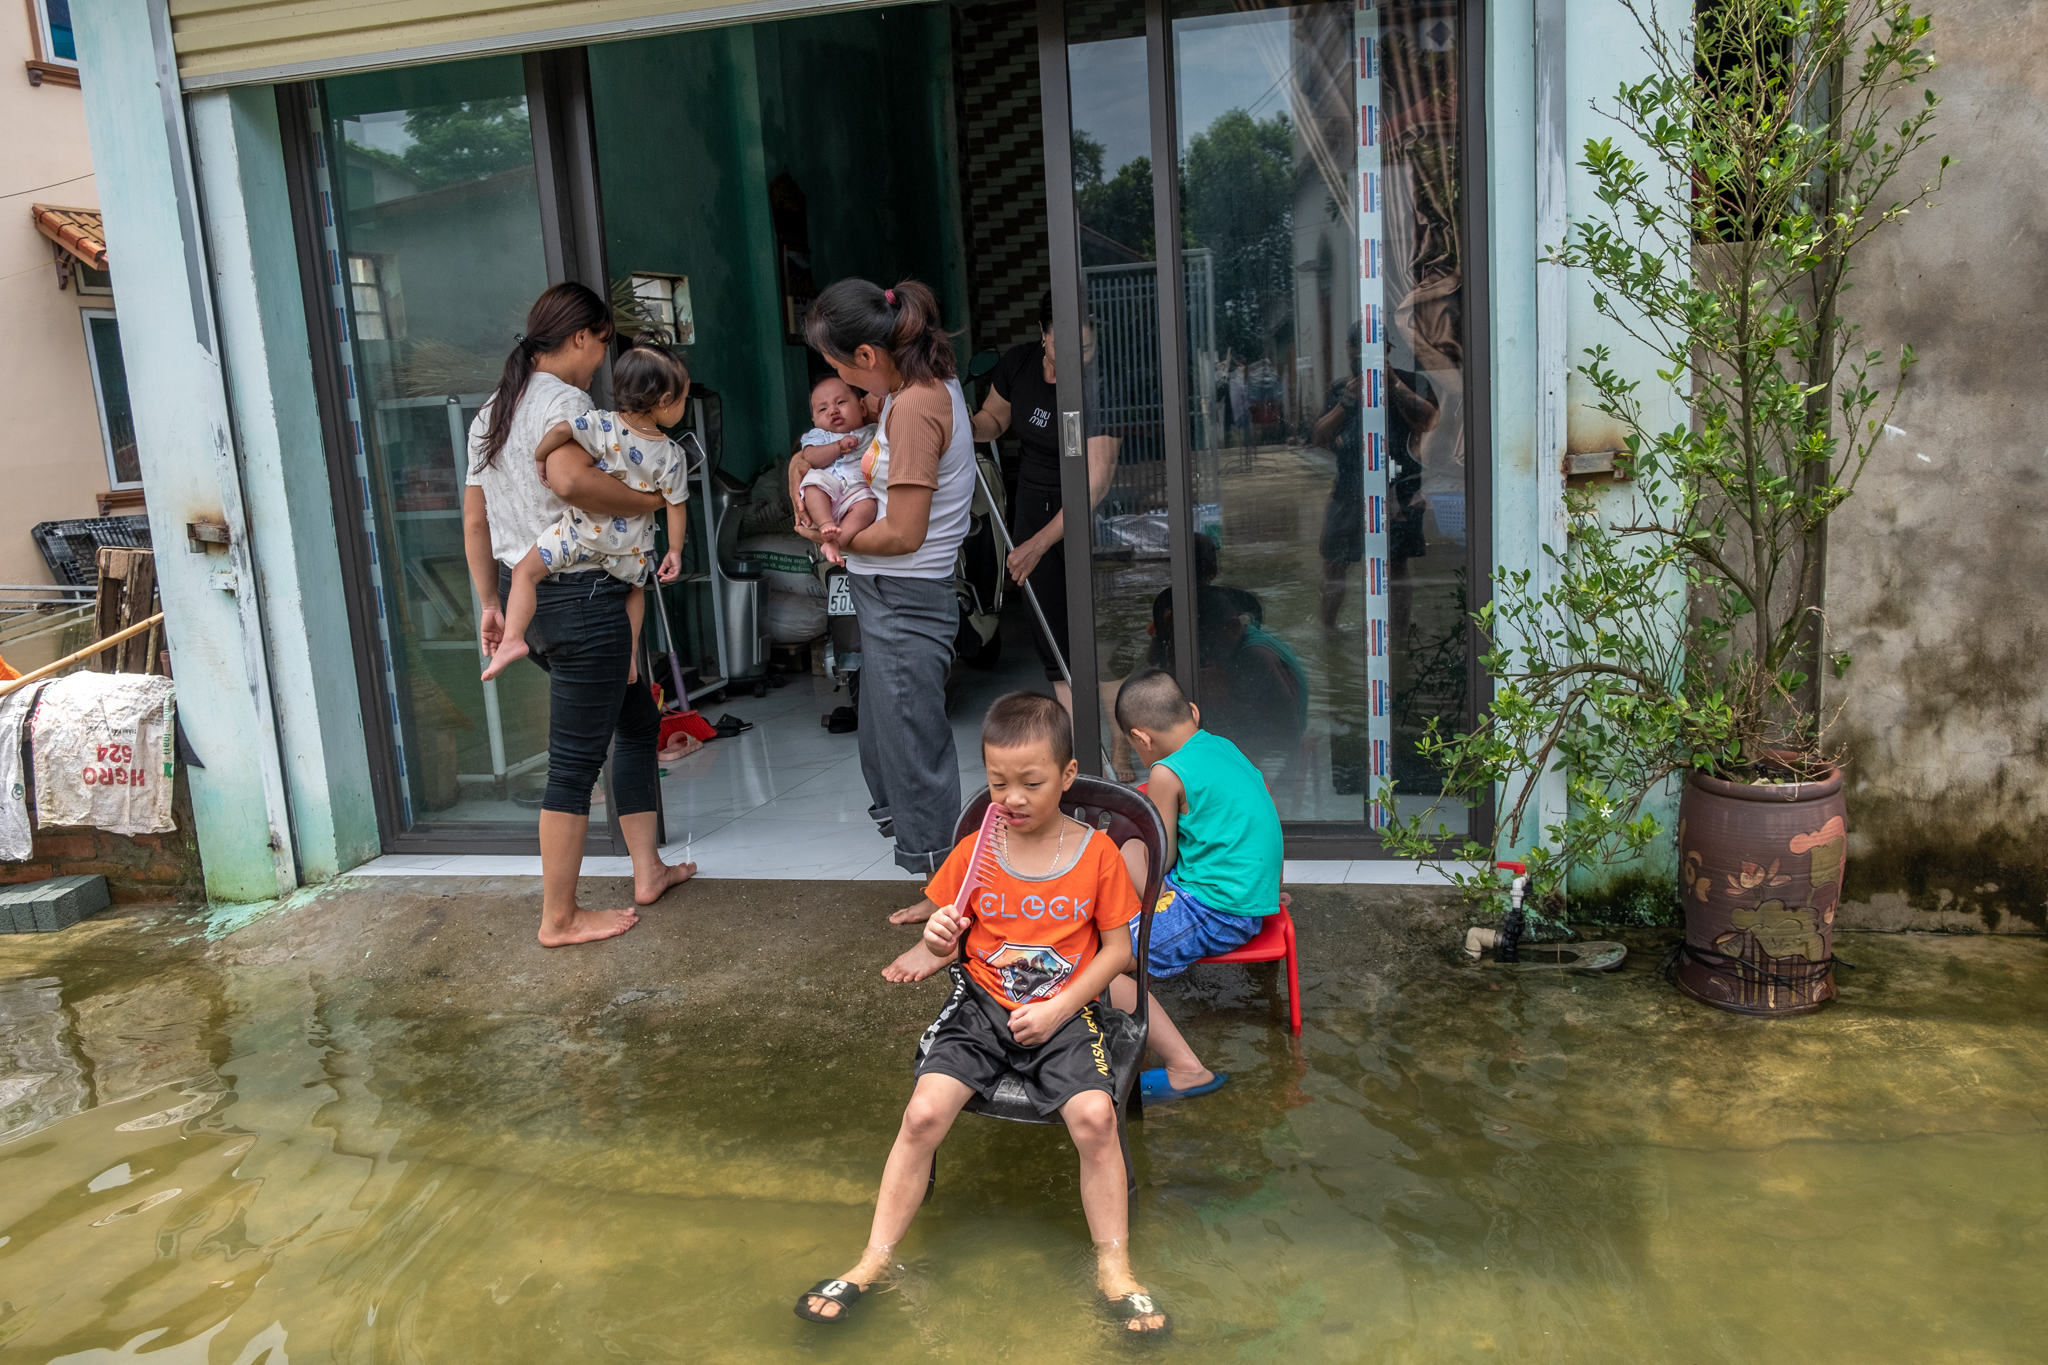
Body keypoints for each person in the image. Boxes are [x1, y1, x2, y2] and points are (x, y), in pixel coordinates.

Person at [794, 693, 1168, 1335]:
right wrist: (938, 937)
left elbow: (1119, 953)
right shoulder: (975, 852)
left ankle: (1116, 1268)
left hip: (1065, 1011)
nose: (1013, 798)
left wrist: (1057, 1009)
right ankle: (871, 1261)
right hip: (980, 1005)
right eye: (998, 783)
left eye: (1031, 783)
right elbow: (949, 939)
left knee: (1096, 1119)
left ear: (1068, 777)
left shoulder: (1098, 855)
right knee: (922, 1113)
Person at [461, 283, 695, 947]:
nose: (599, 363)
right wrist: (647, 502)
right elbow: (567, 481)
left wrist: (490, 602)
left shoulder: (492, 410)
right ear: (581, 337)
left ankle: (647, 868)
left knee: (636, 718)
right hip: (583, 595)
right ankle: (558, 917)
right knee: (573, 763)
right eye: (599, 346)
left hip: (527, 593)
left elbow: (476, 517)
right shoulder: (566, 402)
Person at [788, 279, 976, 875]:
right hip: (886, 592)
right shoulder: (903, 390)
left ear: (867, 357)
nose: (846, 389)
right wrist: (803, 467)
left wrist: (830, 539)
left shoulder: (917, 405)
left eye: (841, 371)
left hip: (906, 593)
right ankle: (927, 860)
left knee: (912, 744)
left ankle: (944, 890)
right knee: (884, 736)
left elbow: (904, 533)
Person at [1111, 667, 1283, 1102]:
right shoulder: (1222, 746)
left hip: (1215, 911)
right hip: (1246, 895)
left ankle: (1186, 1069)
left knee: (1099, 964)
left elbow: (1162, 856)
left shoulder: (1168, 773)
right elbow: (1257, 815)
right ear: (1192, 711)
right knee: (1128, 852)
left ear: (1142, 739)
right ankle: (1145, 918)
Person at [482, 338, 693, 683]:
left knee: (524, 572)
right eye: (683, 398)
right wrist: (674, 550)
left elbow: (563, 430)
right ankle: (628, 659)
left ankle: (513, 640)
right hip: (630, 548)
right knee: (635, 591)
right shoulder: (671, 454)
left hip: (580, 535)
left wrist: (540, 457)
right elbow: (676, 506)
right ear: (666, 401)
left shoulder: (602, 424)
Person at [970, 291, 1120, 710]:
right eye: (1062, 346)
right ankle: (1081, 743)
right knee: (1051, 631)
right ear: (1042, 333)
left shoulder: (1103, 384)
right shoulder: (1018, 363)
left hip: (1087, 515)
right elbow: (994, 420)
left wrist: (1037, 545)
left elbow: (1094, 486)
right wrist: (962, 425)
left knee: (1099, 633)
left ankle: (1119, 743)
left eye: (1085, 348)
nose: (1074, 358)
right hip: (1034, 505)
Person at [1315, 324, 1439, 629]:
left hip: (1400, 490)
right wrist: (1346, 403)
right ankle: (1327, 631)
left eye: (1372, 355)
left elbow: (1429, 421)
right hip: (1348, 490)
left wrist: (1393, 381)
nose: (1363, 364)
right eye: (1357, 357)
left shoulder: (1411, 381)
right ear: (1349, 353)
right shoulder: (1341, 389)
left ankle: (1396, 639)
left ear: (1387, 351)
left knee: (1396, 566)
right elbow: (1318, 437)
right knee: (1334, 564)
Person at [792, 374, 881, 566]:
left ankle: (836, 542)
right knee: (812, 483)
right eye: (823, 409)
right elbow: (810, 458)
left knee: (868, 507)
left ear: (863, 407)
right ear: (814, 419)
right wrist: (837, 447)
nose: (833, 411)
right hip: (827, 490)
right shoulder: (818, 436)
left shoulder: (873, 432)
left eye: (841, 402)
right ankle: (826, 525)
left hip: (857, 491)